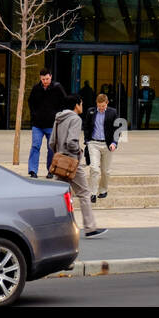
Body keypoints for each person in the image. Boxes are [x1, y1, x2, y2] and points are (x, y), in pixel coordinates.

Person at [51, 95, 105, 237]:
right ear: (76, 105)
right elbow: (71, 142)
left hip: (60, 160)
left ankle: (55, 227)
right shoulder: (75, 119)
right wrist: (79, 152)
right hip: (72, 162)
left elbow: (52, 142)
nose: (82, 106)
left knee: (57, 194)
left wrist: (59, 153)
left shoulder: (58, 118)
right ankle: (90, 228)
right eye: (81, 103)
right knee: (84, 194)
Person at [28, 70, 66, 178]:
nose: (45, 81)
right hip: (37, 125)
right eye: (43, 79)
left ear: (51, 77)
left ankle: (51, 170)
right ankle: (32, 170)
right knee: (35, 146)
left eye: (47, 79)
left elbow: (64, 101)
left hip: (52, 124)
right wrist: (34, 115)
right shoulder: (36, 88)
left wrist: (58, 115)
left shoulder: (57, 88)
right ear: (40, 78)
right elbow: (30, 102)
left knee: (51, 148)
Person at [83, 93, 119, 201]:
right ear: (96, 104)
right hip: (94, 143)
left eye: (103, 106)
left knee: (106, 171)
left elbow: (117, 130)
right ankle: (92, 193)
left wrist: (114, 143)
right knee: (94, 168)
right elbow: (86, 126)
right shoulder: (91, 111)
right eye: (99, 106)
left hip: (108, 145)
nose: (101, 108)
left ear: (107, 103)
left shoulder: (113, 112)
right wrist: (87, 140)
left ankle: (103, 190)